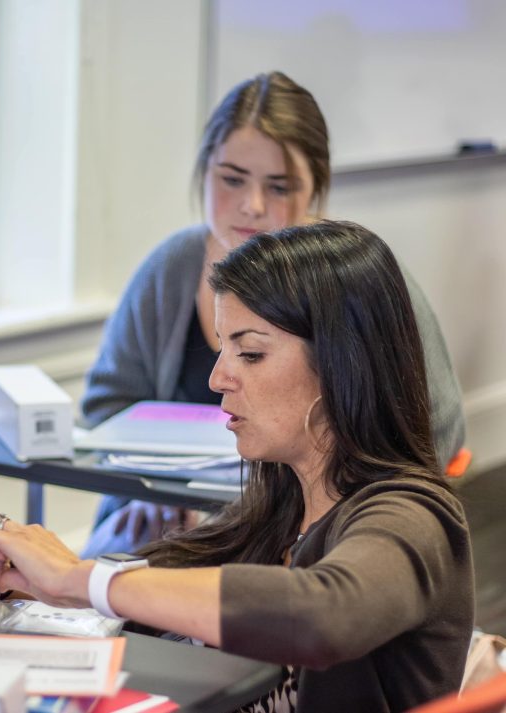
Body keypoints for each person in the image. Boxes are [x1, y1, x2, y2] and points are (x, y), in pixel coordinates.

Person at [0, 221, 475, 712]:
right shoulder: (278, 507)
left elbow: (322, 615)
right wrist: (24, 579)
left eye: (250, 353)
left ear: (342, 364)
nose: (217, 377)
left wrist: (77, 578)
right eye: (224, 349)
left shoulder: (412, 515)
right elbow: (149, 593)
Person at [80, 71, 465, 557]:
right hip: (172, 521)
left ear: (315, 190)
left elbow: (434, 432)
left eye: (279, 186)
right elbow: (106, 409)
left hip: (314, 537)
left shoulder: (359, 279)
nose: (252, 205)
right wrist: (147, 492)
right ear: (204, 172)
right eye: (232, 179)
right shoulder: (171, 268)